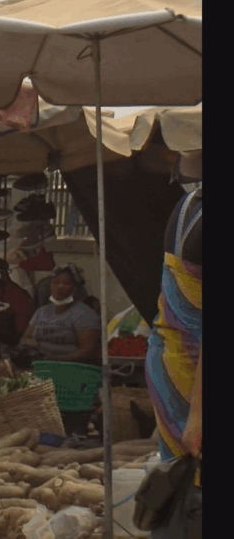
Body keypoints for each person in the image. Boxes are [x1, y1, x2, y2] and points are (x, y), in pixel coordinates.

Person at [145, 178, 200, 538]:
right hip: (191, 370)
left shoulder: (190, 204)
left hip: (170, 357)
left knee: (181, 475)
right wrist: (200, 414)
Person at [19, 264, 101, 436]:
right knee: (0, 369)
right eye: (56, 282)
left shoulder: (83, 314)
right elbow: (25, 339)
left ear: (76, 288)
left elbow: (88, 350)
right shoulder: (42, 312)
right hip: (41, 366)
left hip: (72, 371)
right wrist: (37, 346)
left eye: (66, 283)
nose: (60, 287)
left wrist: (57, 358)